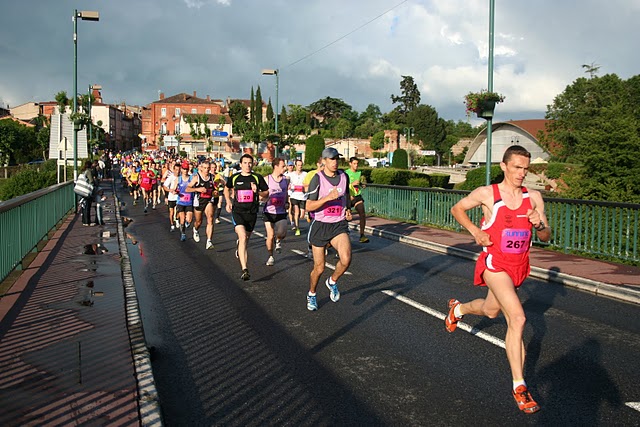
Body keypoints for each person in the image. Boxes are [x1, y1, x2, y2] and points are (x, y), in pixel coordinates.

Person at [445, 145, 551, 414]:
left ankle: (458, 309)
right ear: (504, 166)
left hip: (519, 266)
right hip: (494, 264)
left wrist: (539, 224)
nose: (522, 173)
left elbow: (546, 236)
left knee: (491, 311)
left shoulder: (534, 197)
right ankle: (520, 387)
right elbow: (457, 209)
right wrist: (475, 232)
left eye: (525, 168)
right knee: (518, 318)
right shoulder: (488, 194)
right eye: (517, 167)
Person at [304, 147, 352, 311]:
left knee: (346, 259)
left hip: (338, 224)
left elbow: (346, 195)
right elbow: (309, 206)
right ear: (323, 161)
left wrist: (347, 209)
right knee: (319, 268)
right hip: (321, 225)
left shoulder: (344, 176)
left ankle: (332, 281)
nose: (335, 162)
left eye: (337, 159)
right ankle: (312, 294)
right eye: (331, 159)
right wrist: (327, 198)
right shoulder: (317, 179)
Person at [224, 154, 269, 280]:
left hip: (252, 213)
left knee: (245, 240)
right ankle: (245, 269)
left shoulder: (257, 178)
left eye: (250, 163)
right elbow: (226, 189)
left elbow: (266, 193)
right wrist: (228, 201)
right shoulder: (235, 177)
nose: (248, 165)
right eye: (245, 163)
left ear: (253, 164)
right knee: (243, 236)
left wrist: (257, 192)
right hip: (238, 211)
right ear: (241, 164)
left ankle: (240, 246)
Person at [186, 160, 224, 250]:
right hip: (199, 201)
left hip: (209, 200)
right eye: (205, 168)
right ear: (201, 168)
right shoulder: (196, 178)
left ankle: (209, 241)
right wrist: (198, 189)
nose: (207, 170)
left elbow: (215, 189)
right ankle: (195, 229)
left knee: (210, 218)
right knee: (199, 222)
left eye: (208, 168)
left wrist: (215, 192)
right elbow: (187, 189)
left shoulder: (212, 177)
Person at [263, 158, 289, 266]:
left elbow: (286, 192)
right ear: (276, 167)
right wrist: (266, 198)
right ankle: (270, 256)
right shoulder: (267, 179)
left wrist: (287, 202)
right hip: (269, 211)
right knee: (270, 235)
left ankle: (278, 240)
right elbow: (263, 195)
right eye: (283, 166)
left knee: (282, 233)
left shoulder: (286, 180)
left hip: (281, 211)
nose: (285, 168)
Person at [345, 157, 370, 243]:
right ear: (350, 164)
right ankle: (340, 235)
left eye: (357, 164)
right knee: (345, 217)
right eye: (354, 164)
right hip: (348, 197)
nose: (356, 166)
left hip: (357, 196)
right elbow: (343, 185)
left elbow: (360, 183)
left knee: (362, 214)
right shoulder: (346, 173)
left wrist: (362, 185)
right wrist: (351, 184)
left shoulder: (359, 173)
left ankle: (362, 235)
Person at [175, 160, 194, 242]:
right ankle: (183, 234)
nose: (185, 171)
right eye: (184, 169)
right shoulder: (178, 179)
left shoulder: (191, 178)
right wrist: (175, 191)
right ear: (181, 169)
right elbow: (174, 188)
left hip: (189, 201)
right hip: (181, 201)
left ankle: (187, 224)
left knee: (189, 219)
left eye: (186, 169)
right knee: (182, 219)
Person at [288, 159, 307, 236]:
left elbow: (307, 183)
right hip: (294, 195)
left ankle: (297, 221)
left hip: (303, 196)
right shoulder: (291, 175)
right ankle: (297, 228)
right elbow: (287, 183)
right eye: (298, 165)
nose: (300, 167)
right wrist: (289, 187)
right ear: (295, 166)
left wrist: (305, 187)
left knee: (302, 215)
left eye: (301, 165)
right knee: (297, 211)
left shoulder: (305, 174)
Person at [163, 163, 180, 232]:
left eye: (179, 170)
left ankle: (176, 219)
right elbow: (164, 186)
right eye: (176, 170)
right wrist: (170, 190)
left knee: (179, 210)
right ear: (174, 170)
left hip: (179, 197)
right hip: (171, 197)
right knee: (171, 212)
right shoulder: (171, 177)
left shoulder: (181, 177)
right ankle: (172, 224)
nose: (177, 171)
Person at [80, 160, 96, 226]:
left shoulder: (83, 171)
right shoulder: (89, 171)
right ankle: (87, 221)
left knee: (83, 205)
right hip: (87, 190)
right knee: (87, 206)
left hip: (82, 189)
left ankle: (84, 221)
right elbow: (91, 181)